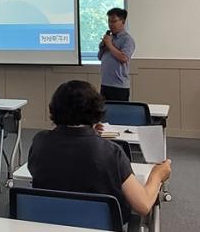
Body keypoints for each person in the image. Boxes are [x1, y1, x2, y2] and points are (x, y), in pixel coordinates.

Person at [28, 80, 171, 224]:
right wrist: (157, 175)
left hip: (48, 223)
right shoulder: (110, 152)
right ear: (96, 110)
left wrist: (90, 134)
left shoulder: (40, 142)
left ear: (54, 109)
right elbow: (143, 205)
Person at [98, 8, 136, 101]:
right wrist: (102, 47)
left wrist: (110, 45)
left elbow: (124, 58)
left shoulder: (127, 39)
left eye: (114, 21)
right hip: (105, 84)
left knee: (118, 110)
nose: (111, 24)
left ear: (123, 21)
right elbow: (100, 57)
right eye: (109, 21)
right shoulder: (109, 38)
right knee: (103, 110)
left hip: (119, 87)